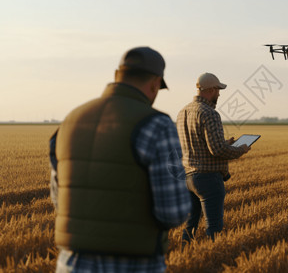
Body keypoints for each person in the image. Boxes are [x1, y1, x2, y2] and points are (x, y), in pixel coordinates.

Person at [49, 46, 191, 273]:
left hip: (72, 263)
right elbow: (172, 212)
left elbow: (59, 198)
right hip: (133, 263)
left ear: (117, 76)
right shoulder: (157, 125)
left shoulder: (71, 120)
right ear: (155, 83)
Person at [176, 73, 250, 243]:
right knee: (214, 228)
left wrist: (226, 143)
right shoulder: (209, 113)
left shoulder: (182, 112)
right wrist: (240, 149)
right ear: (210, 90)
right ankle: (213, 260)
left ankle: (185, 259)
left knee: (190, 226)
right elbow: (216, 150)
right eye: (217, 89)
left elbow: (198, 145)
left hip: (188, 178)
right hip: (208, 178)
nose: (219, 93)